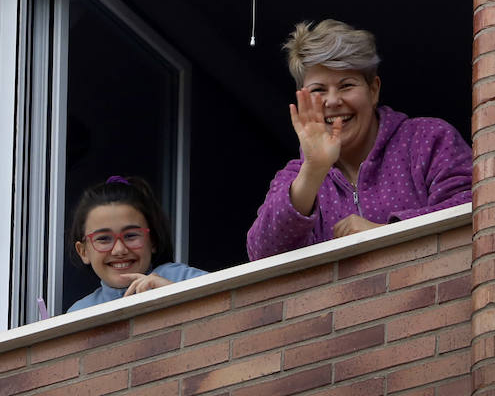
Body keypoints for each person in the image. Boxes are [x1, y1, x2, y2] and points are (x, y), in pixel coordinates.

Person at [247, 19, 472, 260]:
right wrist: (314, 170)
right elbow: (262, 253)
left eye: (346, 85)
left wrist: (387, 234)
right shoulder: (295, 178)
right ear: (302, 99)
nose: (332, 101)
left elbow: (476, 207)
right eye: (318, 90)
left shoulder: (428, 140)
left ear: (373, 90)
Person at [67, 176, 207, 313]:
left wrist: (175, 295)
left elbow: (227, 307)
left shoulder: (179, 278)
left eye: (131, 235)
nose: (119, 250)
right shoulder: (80, 312)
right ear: (83, 252)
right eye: (103, 238)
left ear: (153, 240)